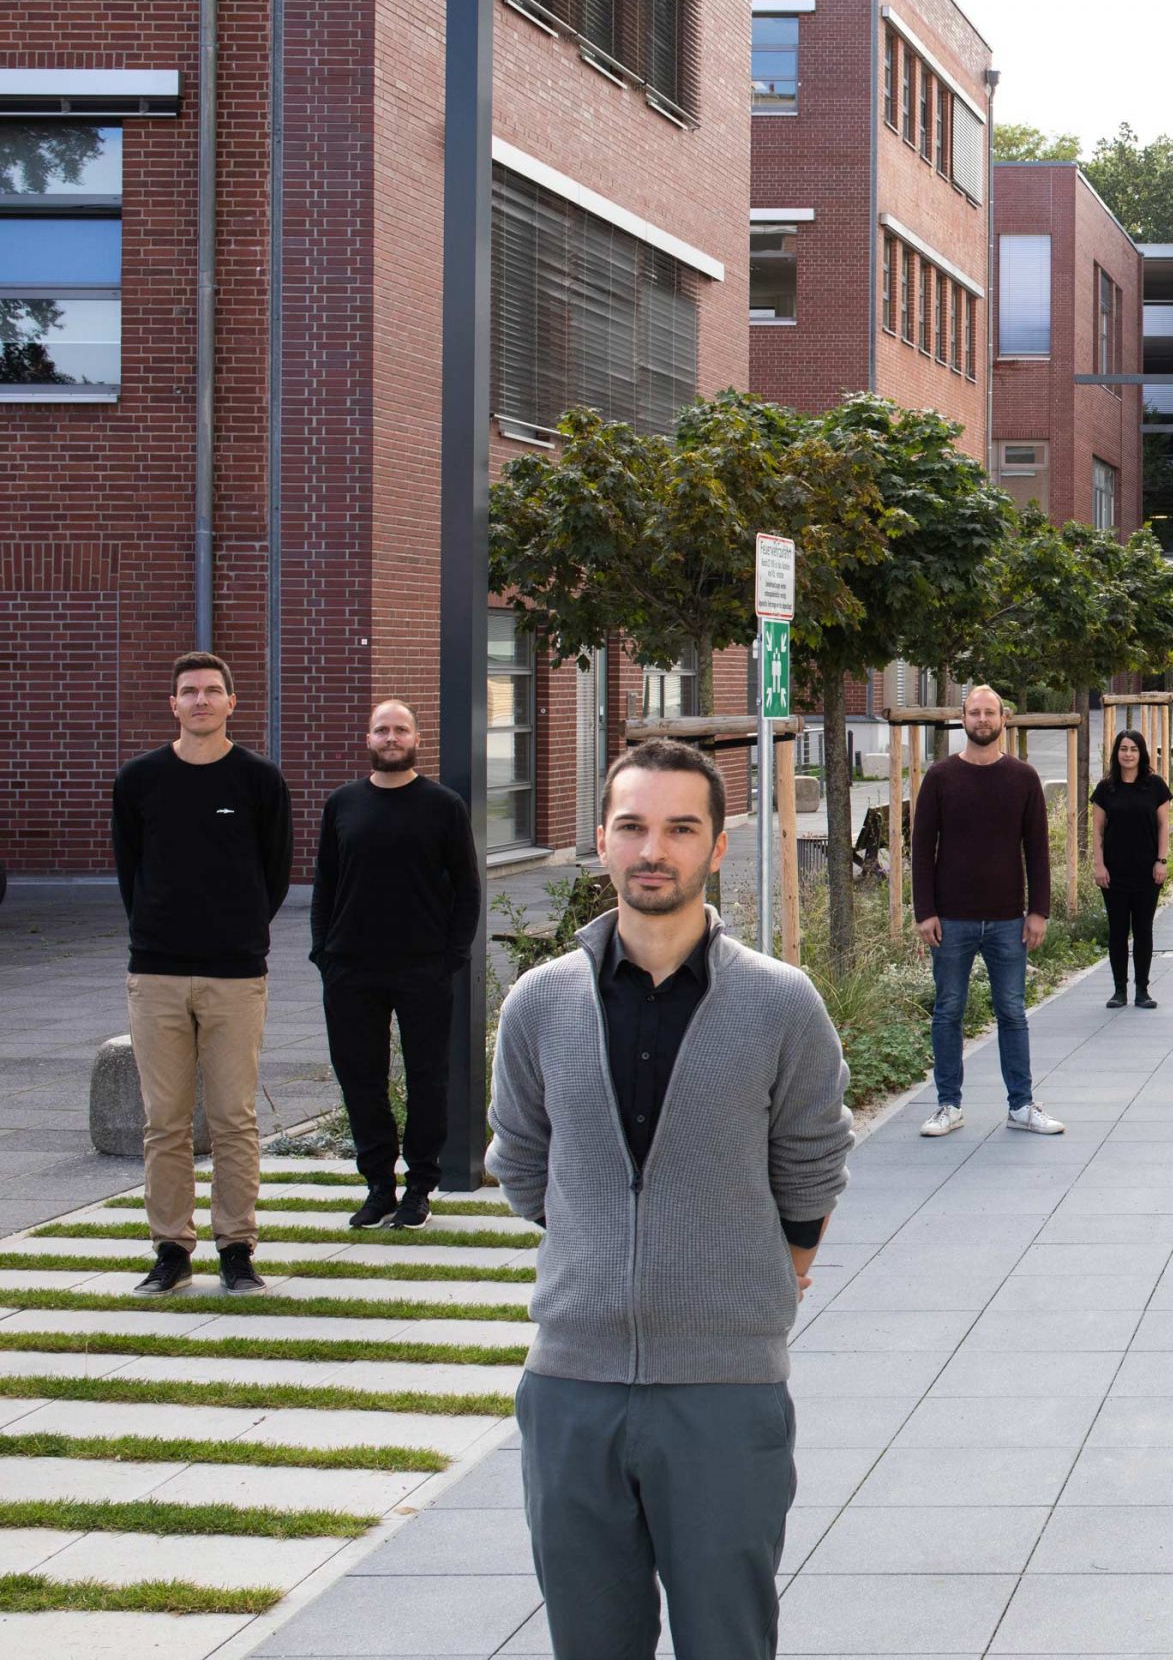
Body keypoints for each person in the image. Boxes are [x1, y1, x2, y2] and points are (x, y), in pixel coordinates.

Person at [489, 739, 854, 1660]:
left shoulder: (780, 1003)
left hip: (723, 1392)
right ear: (604, 843)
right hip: (573, 1385)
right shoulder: (540, 1004)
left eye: (680, 828)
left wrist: (772, 1276)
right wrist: (604, 1244)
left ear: (717, 847)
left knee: (727, 1640)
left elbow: (812, 1161)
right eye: (634, 826)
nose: (655, 848)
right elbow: (523, 1163)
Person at [111, 652, 291, 1296]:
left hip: (235, 975)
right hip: (155, 973)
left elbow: (273, 875)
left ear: (231, 702)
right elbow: (130, 871)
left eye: (212, 691)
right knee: (164, 1120)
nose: (201, 701)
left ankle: (236, 1248)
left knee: (233, 1116)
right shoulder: (140, 780)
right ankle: (170, 1250)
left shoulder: (258, 781)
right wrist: (158, 930)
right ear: (174, 704)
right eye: (188, 691)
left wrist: (237, 932)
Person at [308, 700, 477, 1230]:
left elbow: (466, 888)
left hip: (423, 966)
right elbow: (325, 885)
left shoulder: (443, 805)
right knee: (361, 1078)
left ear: (416, 739)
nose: (390, 737)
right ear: (368, 739)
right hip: (351, 967)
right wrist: (323, 952)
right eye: (381, 729)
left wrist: (452, 954)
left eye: (400, 729)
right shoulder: (343, 804)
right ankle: (378, 1185)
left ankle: (419, 1189)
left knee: (428, 1078)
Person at [910, 686, 1065, 1139]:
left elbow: (1037, 849)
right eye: (974, 712)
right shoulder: (940, 777)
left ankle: (1021, 1105)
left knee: (1012, 1011)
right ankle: (948, 1105)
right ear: (962, 718)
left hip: (1007, 920)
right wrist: (925, 910)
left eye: (989, 712)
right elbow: (922, 850)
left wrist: (1038, 910)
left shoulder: (1022, 778)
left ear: (1004, 719)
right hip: (951, 919)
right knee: (948, 1011)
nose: (982, 719)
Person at [1091, 729, 1173, 1012]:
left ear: (1142, 753)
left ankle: (1142, 989)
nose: (1128, 754)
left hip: (1148, 871)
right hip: (1113, 873)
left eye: (1133, 749)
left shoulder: (1155, 786)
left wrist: (1161, 861)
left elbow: (1164, 826)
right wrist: (1098, 864)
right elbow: (1098, 830)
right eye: (1123, 749)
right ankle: (1119, 990)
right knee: (1117, 931)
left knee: (1143, 930)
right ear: (1116, 753)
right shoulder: (1105, 789)